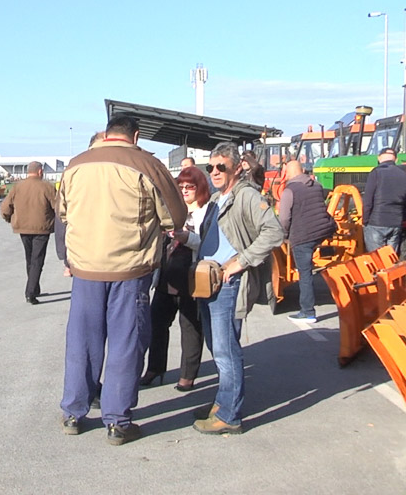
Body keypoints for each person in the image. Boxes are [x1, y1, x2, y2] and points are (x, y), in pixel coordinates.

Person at [58, 116, 186, 446]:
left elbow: (64, 213)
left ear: (106, 134)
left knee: (82, 342)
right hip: (130, 269)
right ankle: (117, 421)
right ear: (136, 135)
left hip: (86, 270)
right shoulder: (146, 164)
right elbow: (176, 216)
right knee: (125, 343)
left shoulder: (75, 165)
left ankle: (73, 412)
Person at [193, 142, 283, 435]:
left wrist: (240, 262)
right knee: (216, 348)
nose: (215, 172)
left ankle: (229, 415)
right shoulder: (217, 198)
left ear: (236, 168)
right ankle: (222, 402)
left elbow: (274, 231)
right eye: (211, 167)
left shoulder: (246, 196)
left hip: (227, 286)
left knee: (226, 351)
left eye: (221, 167)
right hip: (207, 283)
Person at [141, 166, 211, 392]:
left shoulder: (207, 212)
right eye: (180, 187)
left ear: (200, 187)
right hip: (167, 277)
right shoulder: (172, 210)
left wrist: (187, 237)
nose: (185, 191)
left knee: (191, 328)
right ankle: (155, 368)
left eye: (190, 186)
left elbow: (210, 244)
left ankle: (187, 375)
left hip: (192, 278)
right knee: (156, 324)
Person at [278, 160, 336, 324]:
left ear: (288, 174)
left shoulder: (289, 191)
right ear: (302, 170)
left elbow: (284, 219)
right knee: (309, 268)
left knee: (305, 274)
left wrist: (284, 236)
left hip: (303, 236)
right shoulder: (316, 186)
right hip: (322, 231)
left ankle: (308, 312)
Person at [0, 161, 56, 305]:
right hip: (42, 228)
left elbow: (5, 208)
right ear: (40, 171)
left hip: (23, 228)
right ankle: (30, 292)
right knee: (37, 260)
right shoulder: (47, 187)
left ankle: (34, 288)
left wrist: (9, 219)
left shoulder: (17, 187)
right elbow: (58, 207)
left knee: (30, 258)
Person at [363, 148, 406, 253]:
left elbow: (368, 199)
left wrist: (365, 220)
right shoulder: (403, 174)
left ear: (379, 158)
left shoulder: (376, 173)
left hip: (377, 222)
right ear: (396, 159)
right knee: (391, 257)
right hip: (396, 222)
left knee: (377, 257)